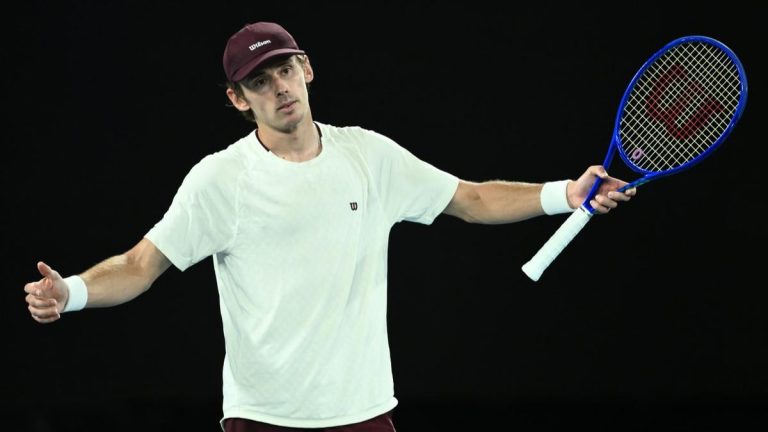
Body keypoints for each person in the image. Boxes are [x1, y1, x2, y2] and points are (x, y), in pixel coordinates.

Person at [24, 21, 636, 432]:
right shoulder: (221, 180)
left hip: (363, 413)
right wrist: (71, 292)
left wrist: (565, 193)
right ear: (239, 100)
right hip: (262, 417)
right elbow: (139, 265)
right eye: (259, 83)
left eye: (285, 71)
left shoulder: (368, 157)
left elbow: (471, 198)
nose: (279, 89)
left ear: (307, 69)